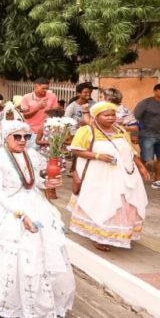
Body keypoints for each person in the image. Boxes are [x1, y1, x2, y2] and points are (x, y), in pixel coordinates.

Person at [0, 121, 75, 318]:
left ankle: (37, 300)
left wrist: (49, 182)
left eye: (26, 137)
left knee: (42, 250)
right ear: (6, 138)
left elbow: (33, 182)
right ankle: (5, 299)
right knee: (12, 253)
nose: (22, 141)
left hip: (34, 204)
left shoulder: (32, 155)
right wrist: (20, 215)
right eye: (17, 137)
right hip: (6, 208)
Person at [67, 102, 150, 251]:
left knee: (127, 204)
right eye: (106, 115)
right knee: (104, 203)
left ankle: (122, 233)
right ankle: (101, 236)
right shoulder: (87, 130)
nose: (111, 118)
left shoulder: (120, 130)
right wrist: (98, 156)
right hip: (100, 176)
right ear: (96, 116)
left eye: (113, 114)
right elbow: (76, 150)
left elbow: (130, 151)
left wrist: (141, 167)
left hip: (126, 175)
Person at [134, 83, 160, 189]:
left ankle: (158, 180)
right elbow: (135, 118)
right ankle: (138, 179)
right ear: (155, 91)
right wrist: (134, 134)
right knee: (146, 158)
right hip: (147, 135)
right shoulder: (145, 103)